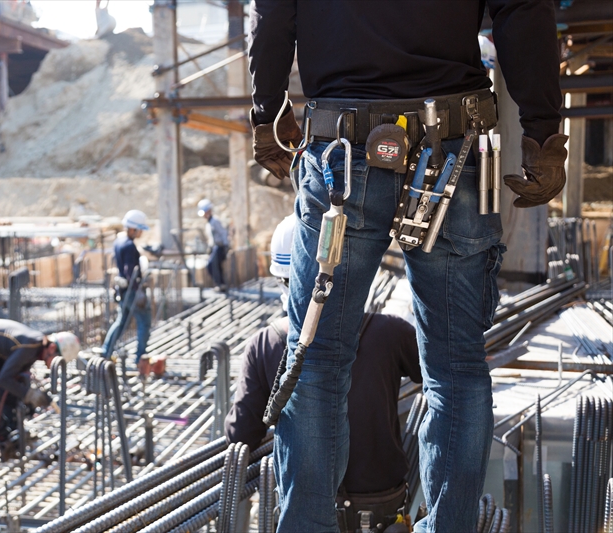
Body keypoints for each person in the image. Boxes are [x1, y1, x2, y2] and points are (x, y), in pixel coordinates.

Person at [248, 2, 568, 531]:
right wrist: (542, 129)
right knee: (456, 370)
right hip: (455, 144)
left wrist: (267, 109)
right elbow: (522, 6)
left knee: (318, 366)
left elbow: (274, 9)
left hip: (343, 151)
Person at [225, 216, 421, 533]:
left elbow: (241, 436)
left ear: (283, 279)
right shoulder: (389, 332)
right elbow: (438, 379)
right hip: (381, 507)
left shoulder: (266, 344)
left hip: (303, 508)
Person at [0, 318, 79, 456]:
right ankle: (2, 439)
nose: (54, 366)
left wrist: (26, 395)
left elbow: (17, 377)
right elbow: (4, 379)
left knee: (13, 389)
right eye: (56, 360)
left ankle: (14, 432)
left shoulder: (35, 346)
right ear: (52, 348)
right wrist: (30, 395)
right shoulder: (29, 347)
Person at [100, 209, 152, 376]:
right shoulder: (129, 246)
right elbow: (131, 272)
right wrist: (139, 292)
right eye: (140, 229)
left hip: (122, 290)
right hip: (131, 291)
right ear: (132, 228)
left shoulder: (119, 242)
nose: (141, 232)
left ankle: (106, 352)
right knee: (144, 322)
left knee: (121, 322)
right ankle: (140, 359)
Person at [197, 199, 229, 291]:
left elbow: (223, 233)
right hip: (215, 247)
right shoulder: (209, 223)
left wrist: (226, 245)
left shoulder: (215, 221)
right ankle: (221, 285)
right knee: (216, 266)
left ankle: (221, 284)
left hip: (220, 247)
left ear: (209, 211)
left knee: (212, 265)